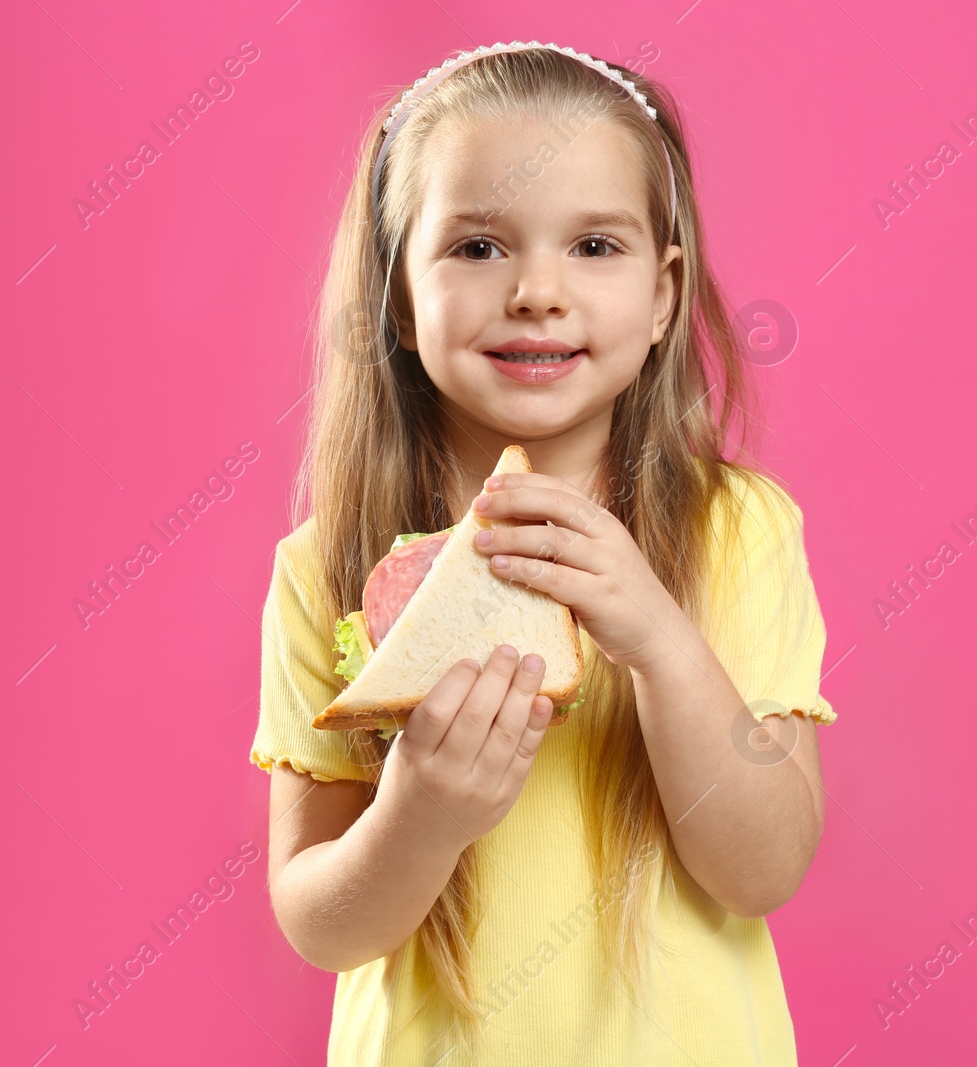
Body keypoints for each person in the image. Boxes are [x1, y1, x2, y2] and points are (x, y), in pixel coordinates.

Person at [249, 39, 837, 1065]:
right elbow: (318, 920)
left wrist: (659, 637)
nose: (534, 290)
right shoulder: (324, 562)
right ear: (397, 294)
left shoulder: (734, 527)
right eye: (477, 247)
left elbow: (765, 866)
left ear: (662, 295)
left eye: (594, 247)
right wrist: (419, 818)